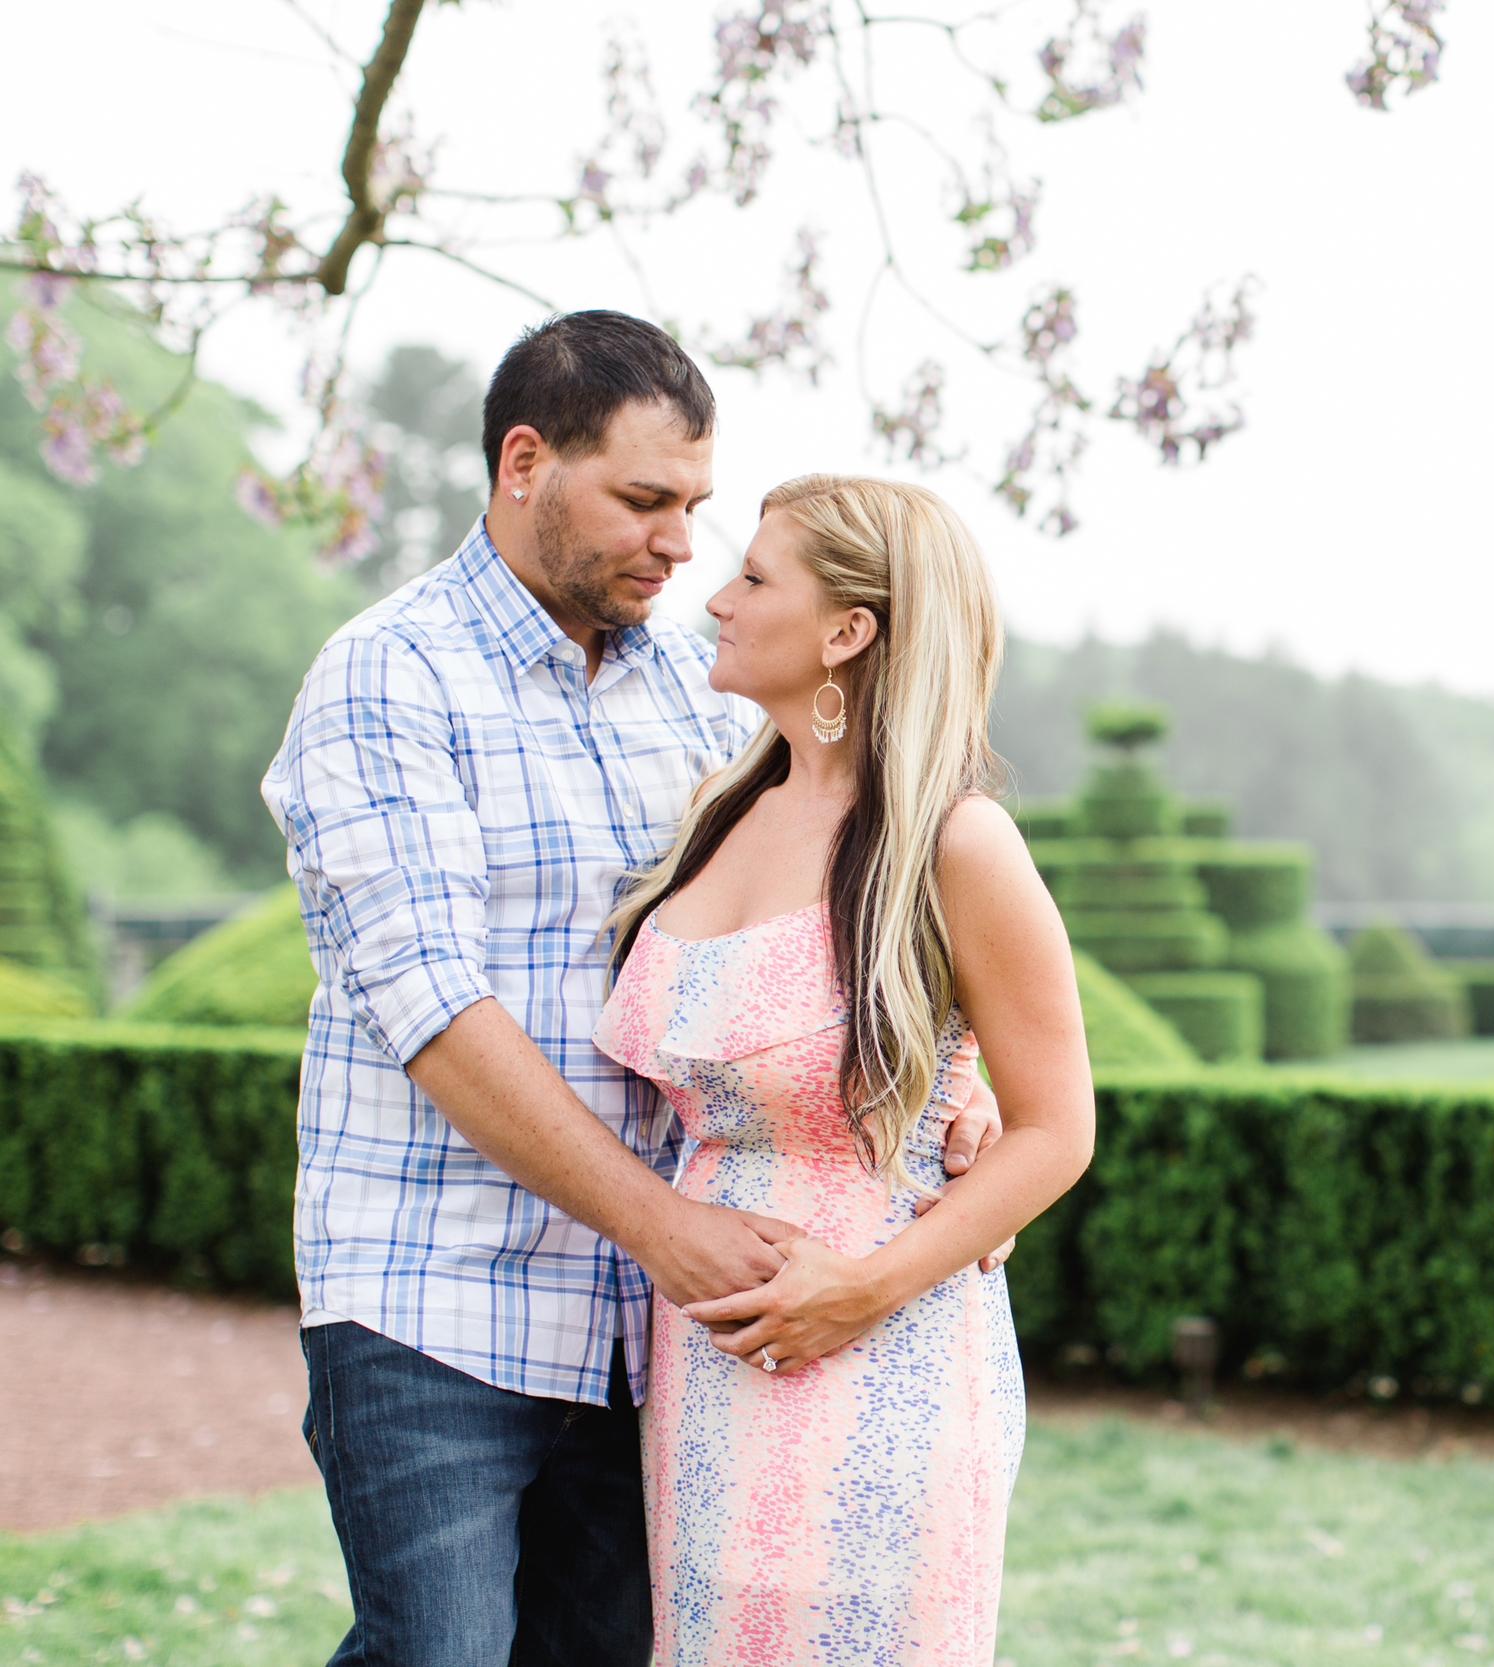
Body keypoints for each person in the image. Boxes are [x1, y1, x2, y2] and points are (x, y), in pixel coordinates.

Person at [262, 312, 1009, 1666]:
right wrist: (662, 1221)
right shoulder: (387, 675)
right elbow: (431, 1007)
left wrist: (962, 1080)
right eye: (645, 499)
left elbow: (842, 928)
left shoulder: (703, 698)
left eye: (697, 508)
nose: (681, 543)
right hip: (442, 1294)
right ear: (526, 462)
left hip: (662, 1333)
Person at [595, 473, 1093, 1664]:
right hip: (707, 1371)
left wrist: (862, 1286)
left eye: (755, 577)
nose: (715, 599)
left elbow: (1055, 1127)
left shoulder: (954, 841)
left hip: (889, 1357)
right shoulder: (719, 808)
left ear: (848, 630)